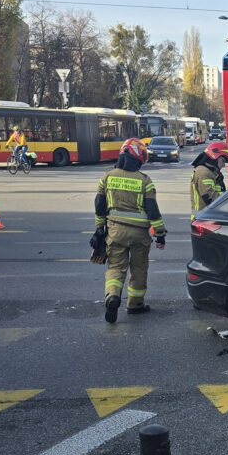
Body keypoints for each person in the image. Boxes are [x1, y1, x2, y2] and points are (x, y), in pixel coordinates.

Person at [94, 138, 167, 323]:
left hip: (115, 232)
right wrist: (160, 235)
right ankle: (135, 304)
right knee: (139, 269)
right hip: (139, 235)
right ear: (138, 158)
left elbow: (99, 205)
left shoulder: (107, 177)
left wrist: (99, 228)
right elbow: (153, 210)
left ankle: (112, 296)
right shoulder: (145, 180)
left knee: (116, 268)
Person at [190, 141, 228, 220]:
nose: (224, 165)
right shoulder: (204, 173)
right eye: (223, 161)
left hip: (208, 217)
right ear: (214, 157)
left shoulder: (212, 172)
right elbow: (211, 198)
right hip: (203, 219)